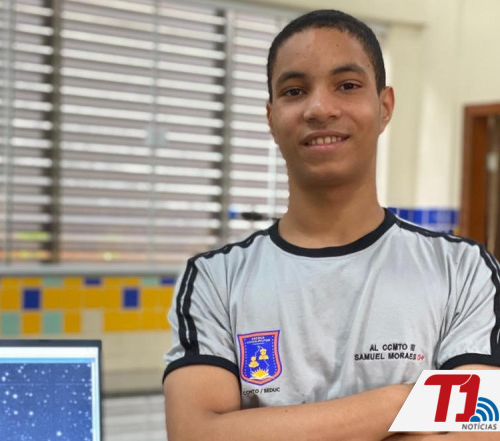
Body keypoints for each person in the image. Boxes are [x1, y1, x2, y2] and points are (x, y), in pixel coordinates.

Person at [163, 9, 500, 441]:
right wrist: (401, 403)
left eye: (347, 85)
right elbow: (197, 433)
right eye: (295, 91)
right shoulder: (216, 279)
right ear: (271, 117)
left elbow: (480, 431)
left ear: (384, 107)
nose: (320, 108)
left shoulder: (463, 271)